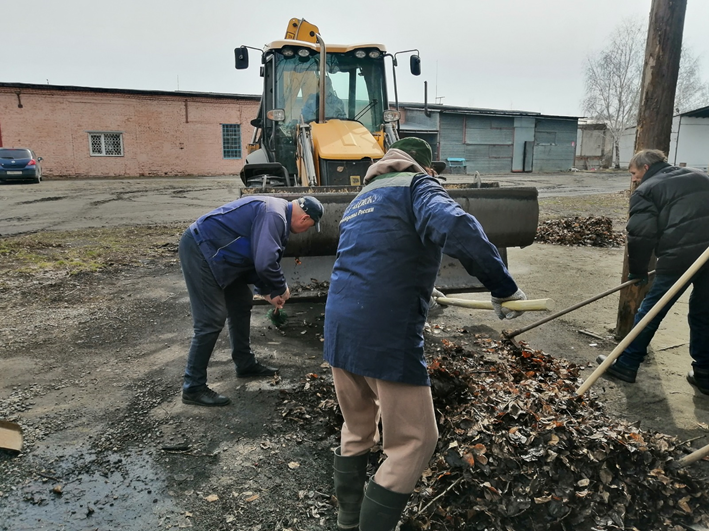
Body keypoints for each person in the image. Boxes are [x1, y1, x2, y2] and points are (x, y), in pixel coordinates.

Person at [323, 137, 528, 531]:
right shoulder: (418, 186)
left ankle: (347, 521)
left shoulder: (360, 200)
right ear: (426, 168)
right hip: (384, 334)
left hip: (339, 328)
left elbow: (376, 254)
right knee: (414, 443)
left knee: (357, 429)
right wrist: (502, 285)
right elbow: (455, 225)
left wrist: (422, 282)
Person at [179, 195, 324, 407]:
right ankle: (193, 387)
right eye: (311, 226)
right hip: (202, 249)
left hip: (222, 256)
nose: (307, 230)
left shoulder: (277, 215)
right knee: (210, 320)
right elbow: (265, 262)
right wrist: (280, 287)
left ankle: (244, 363)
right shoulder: (275, 214)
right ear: (304, 219)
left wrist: (266, 291)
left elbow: (256, 257)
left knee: (241, 303)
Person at [597, 149, 709, 394]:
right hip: (707, 255)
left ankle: (626, 364)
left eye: (634, 173)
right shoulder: (700, 176)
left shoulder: (647, 190)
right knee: (704, 314)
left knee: (651, 311)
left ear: (646, 168)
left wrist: (637, 272)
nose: (634, 179)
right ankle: (705, 374)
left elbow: (640, 236)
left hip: (679, 258)